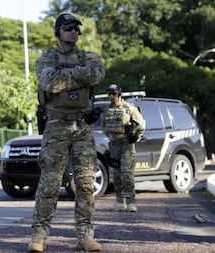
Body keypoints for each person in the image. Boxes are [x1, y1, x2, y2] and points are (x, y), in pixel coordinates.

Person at [29, 13, 105, 252]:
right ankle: (39, 236)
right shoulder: (46, 58)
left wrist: (67, 76)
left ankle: (85, 236)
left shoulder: (89, 56)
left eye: (76, 29)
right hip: (56, 125)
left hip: (82, 126)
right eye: (69, 28)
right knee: (50, 183)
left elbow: (96, 74)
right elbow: (50, 83)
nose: (74, 32)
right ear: (58, 31)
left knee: (85, 183)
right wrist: (79, 77)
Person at [101, 84, 145, 212]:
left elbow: (141, 124)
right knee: (116, 175)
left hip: (126, 145)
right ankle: (120, 201)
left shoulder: (129, 109)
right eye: (109, 93)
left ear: (119, 94)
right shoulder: (106, 110)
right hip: (113, 144)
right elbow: (104, 127)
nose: (111, 96)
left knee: (127, 174)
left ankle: (131, 202)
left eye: (113, 93)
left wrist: (135, 136)